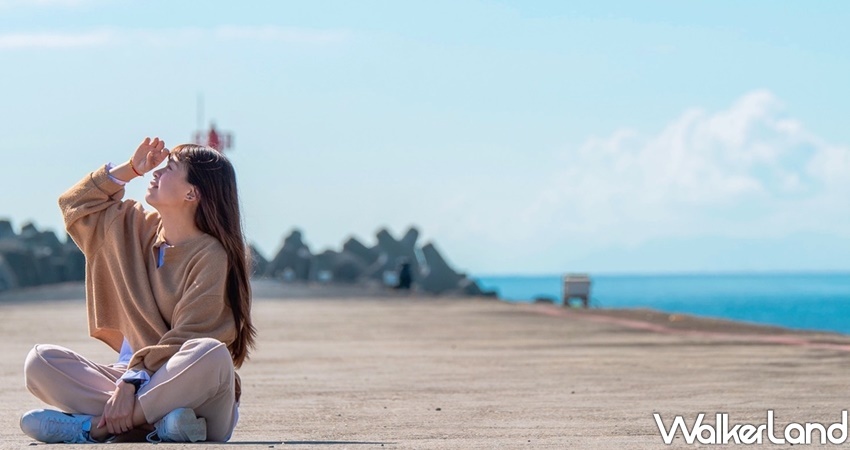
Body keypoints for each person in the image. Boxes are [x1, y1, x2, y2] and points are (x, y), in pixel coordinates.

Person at [19, 137, 256, 443]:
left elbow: (192, 336)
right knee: (39, 362)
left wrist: (130, 383)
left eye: (169, 168)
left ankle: (94, 428)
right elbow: (74, 205)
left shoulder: (211, 255)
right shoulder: (133, 228)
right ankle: (161, 426)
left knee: (210, 354)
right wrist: (131, 169)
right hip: (140, 387)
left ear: (191, 192)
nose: (156, 173)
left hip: (196, 394)